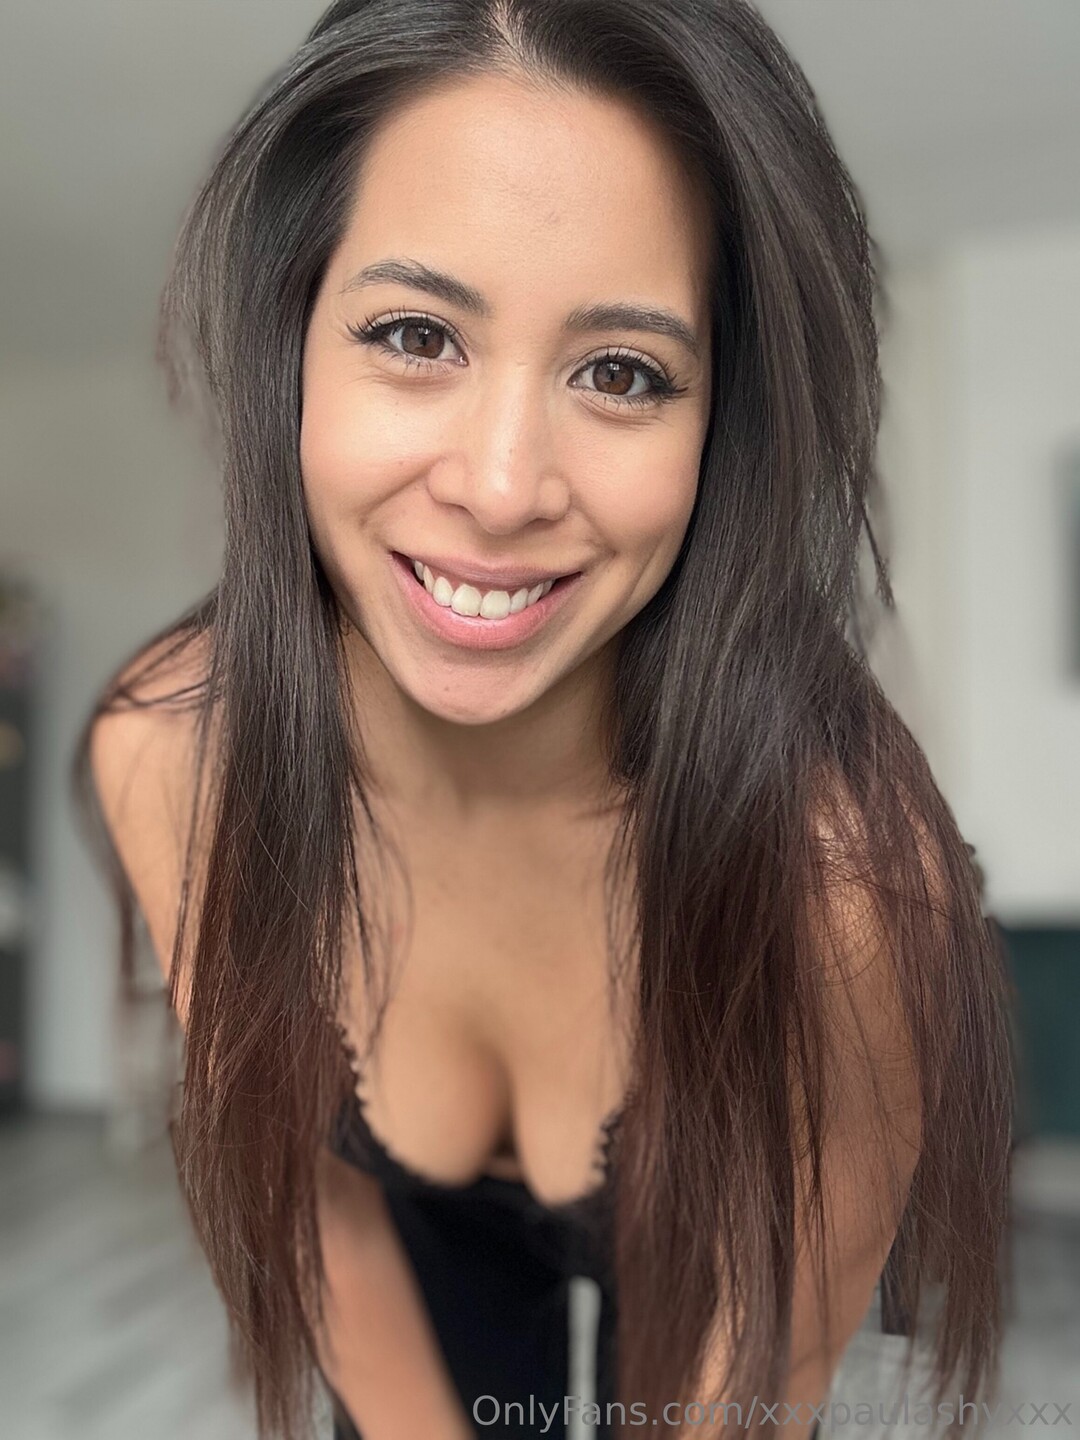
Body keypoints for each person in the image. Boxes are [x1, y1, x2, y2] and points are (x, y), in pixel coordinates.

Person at [74, 2, 1015, 1438]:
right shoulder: (174, 755)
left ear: (723, 428)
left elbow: (754, 1387)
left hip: (718, 1249)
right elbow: (327, 1221)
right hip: (410, 1248)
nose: (504, 487)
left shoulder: (847, 891)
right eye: (415, 335)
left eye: (621, 372)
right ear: (290, 347)